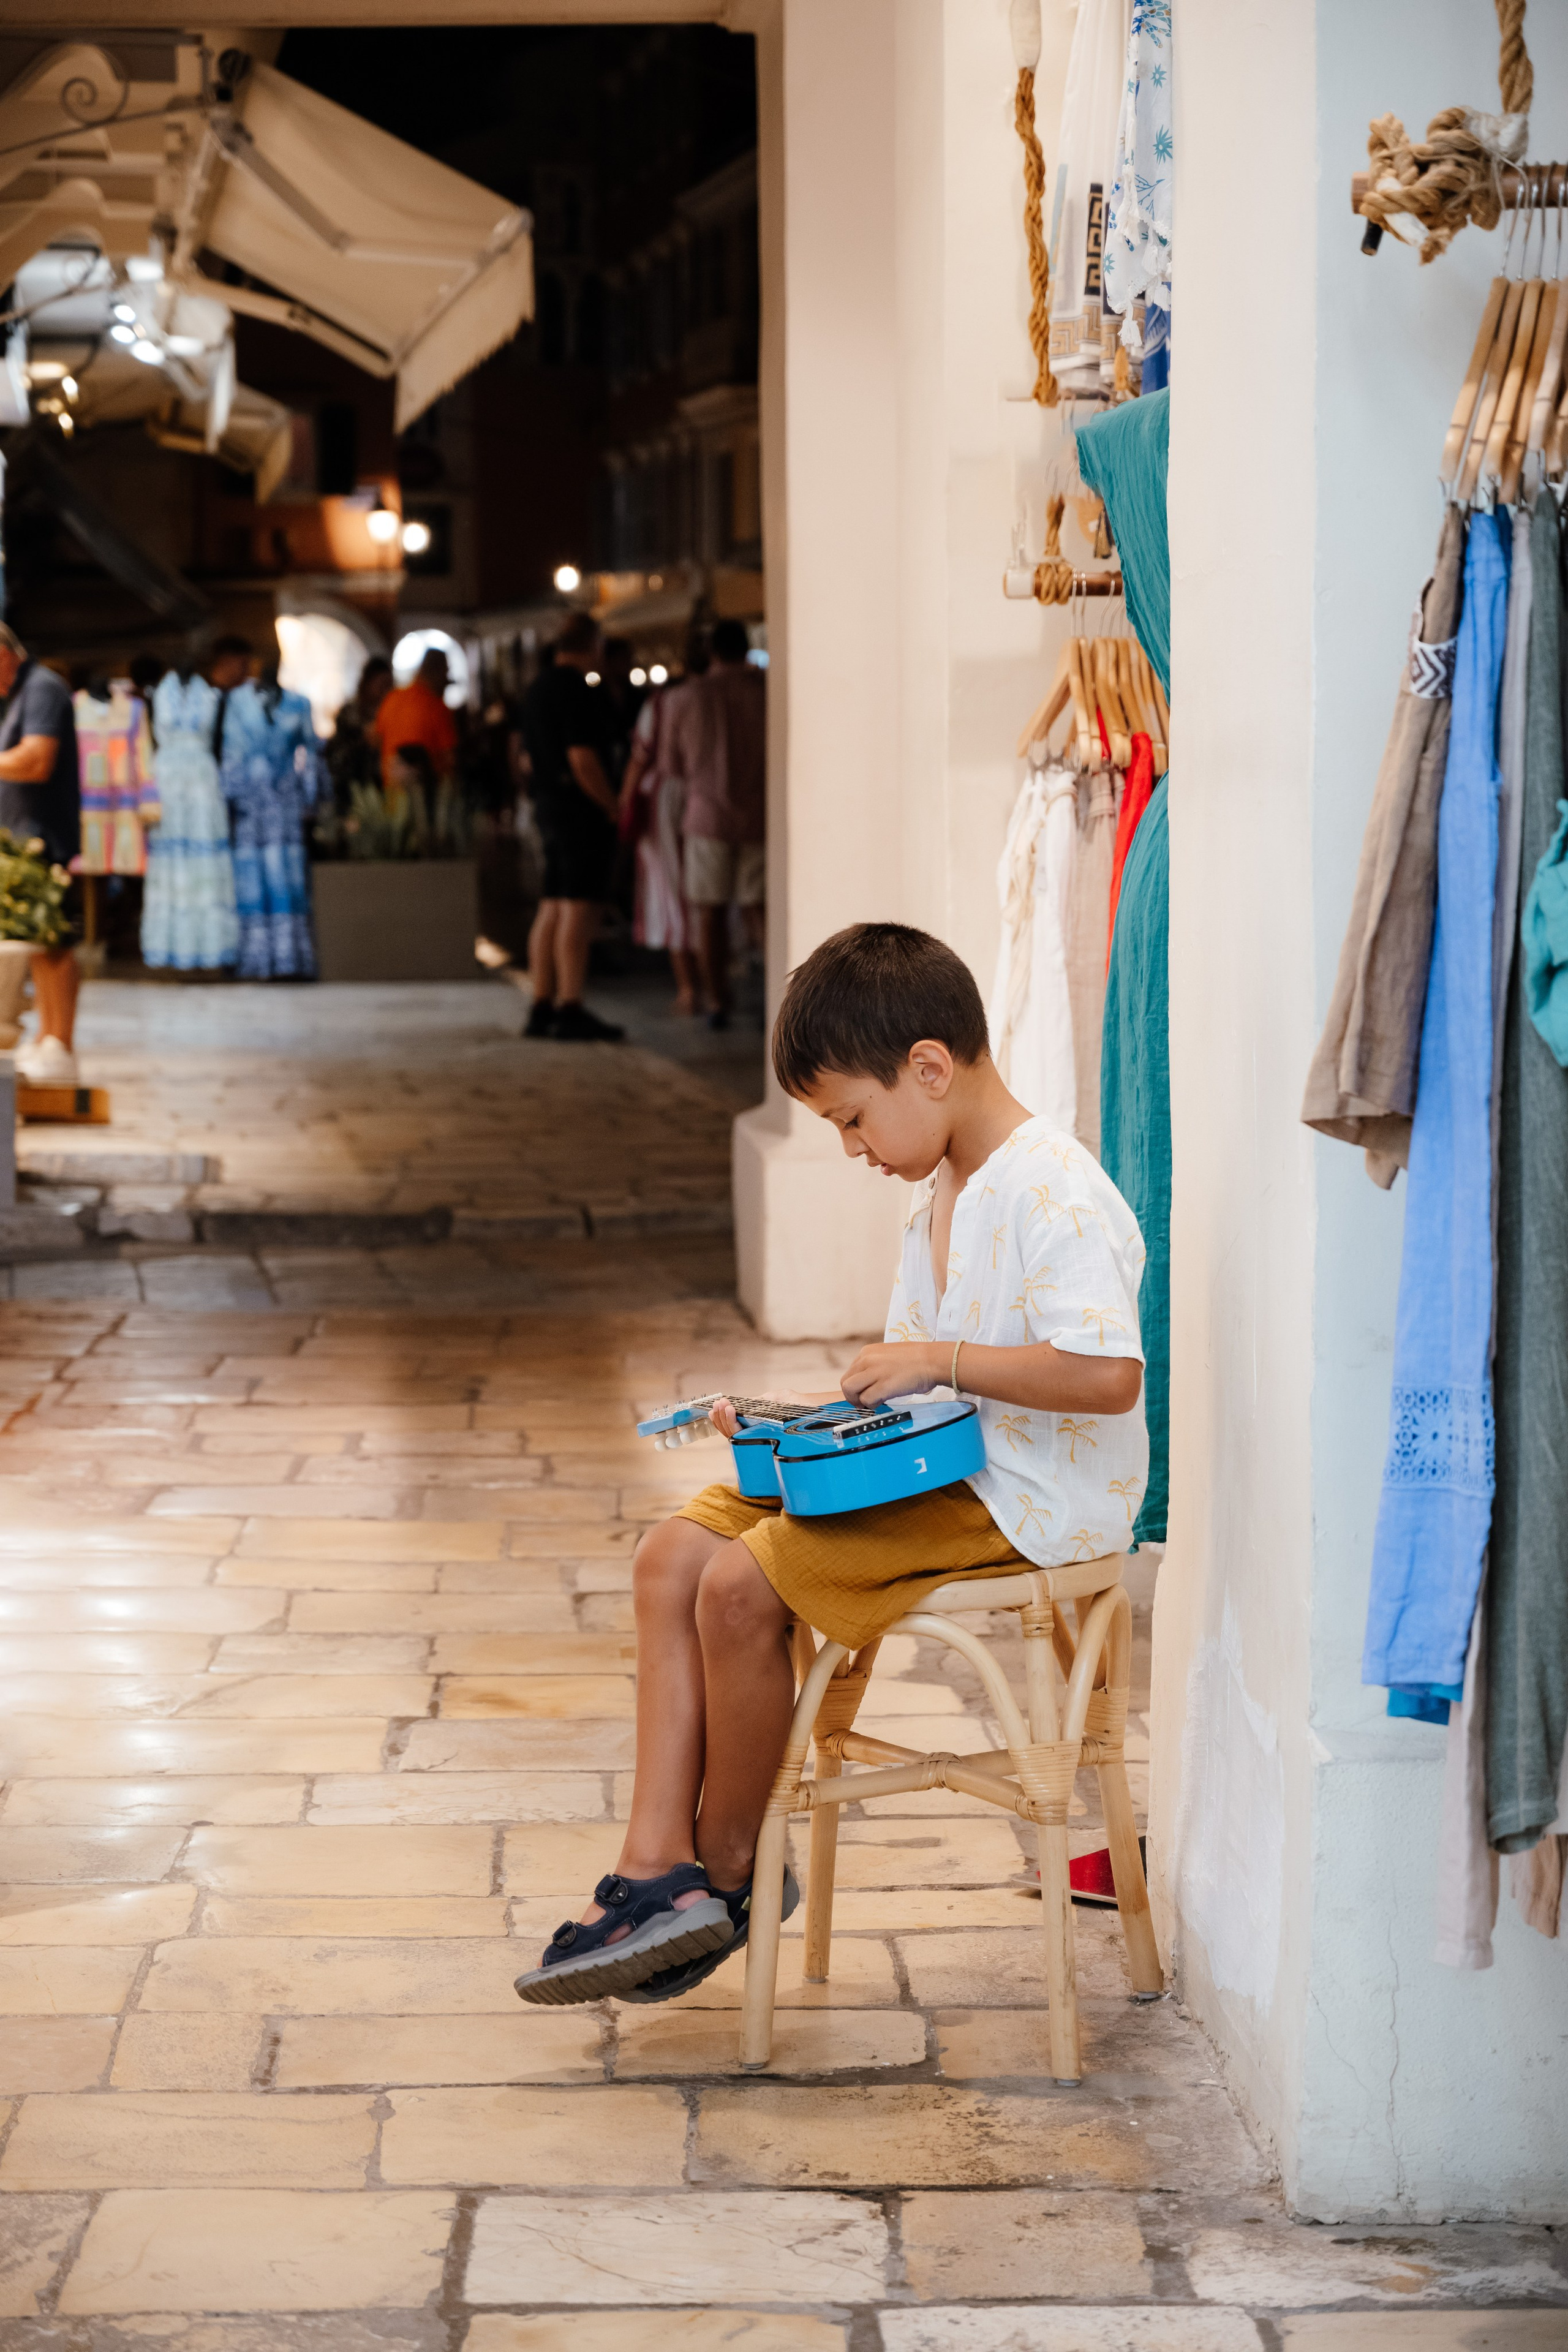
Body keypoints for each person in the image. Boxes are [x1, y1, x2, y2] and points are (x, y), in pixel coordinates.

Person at [512, 921, 1149, 2005]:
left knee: (739, 1585)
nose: (854, 1147)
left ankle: (725, 1875)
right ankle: (653, 1862)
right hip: (947, 1469)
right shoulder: (937, 1196)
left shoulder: (1056, 1188)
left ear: (931, 1068)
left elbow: (1109, 1378)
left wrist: (938, 1357)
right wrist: (790, 1422)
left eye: (853, 1118)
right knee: (674, 1556)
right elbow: (928, 1398)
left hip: (1027, 1497)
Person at [518, 611, 624, 1042]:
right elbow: (583, 759)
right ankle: (570, 1004)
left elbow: (523, 758)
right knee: (579, 909)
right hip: (579, 811)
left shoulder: (537, 689)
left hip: (548, 804)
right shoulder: (576, 691)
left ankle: (541, 1003)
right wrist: (611, 804)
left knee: (553, 904)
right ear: (594, 645)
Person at [664, 617, 766, 1028]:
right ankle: (781, 1001)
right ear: (746, 648)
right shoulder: (767, 693)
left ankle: (717, 1000)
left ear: (711, 653)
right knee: (759, 911)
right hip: (760, 815)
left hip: (706, 816)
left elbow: (671, 765)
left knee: (709, 913)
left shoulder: (684, 698)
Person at [0, 620, 83, 1082]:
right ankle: (48, 1039)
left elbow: (35, 760)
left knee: (54, 942)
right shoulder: (20, 693)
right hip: (22, 839)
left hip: (44, 835)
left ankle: (61, 1042)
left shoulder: (43, 688)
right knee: (40, 942)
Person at [376, 648, 457, 797]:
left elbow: (377, 740)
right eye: (446, 672)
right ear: (438, 671)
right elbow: (449, 759)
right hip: (425, 799)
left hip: (392, 796)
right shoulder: (437, 707)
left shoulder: (392, 699)